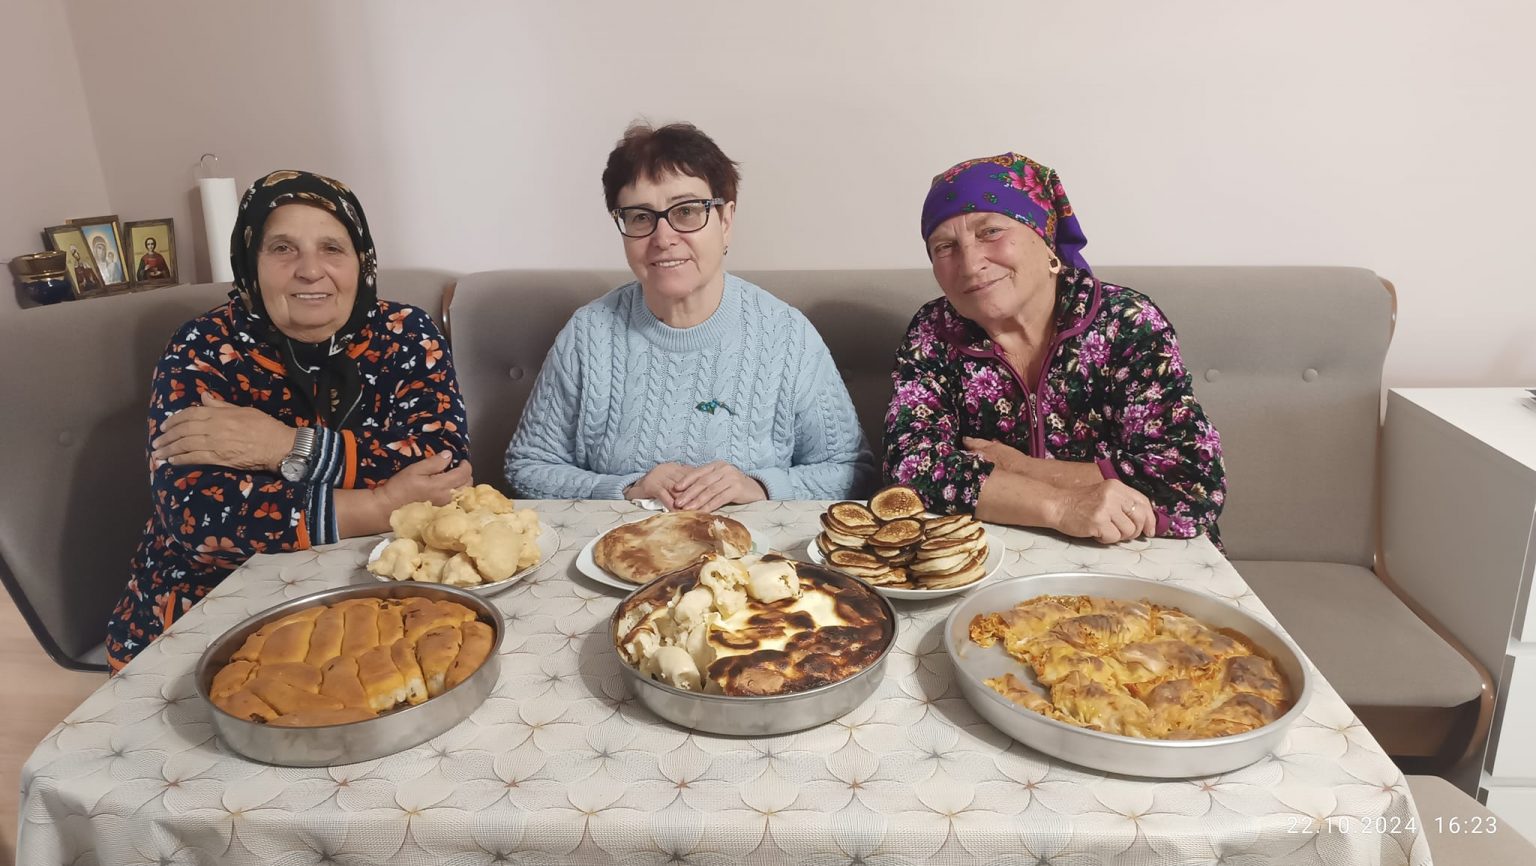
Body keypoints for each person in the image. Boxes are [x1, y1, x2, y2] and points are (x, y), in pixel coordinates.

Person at [105, 170, 471, 670]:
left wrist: (284, 446)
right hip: (210, 604)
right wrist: (379, 503)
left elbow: (444, 467)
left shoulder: (406, 332)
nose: (310, 270)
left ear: (361, 260)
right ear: (250, 262)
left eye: (332, 248)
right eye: (283, 249)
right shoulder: (202, 347)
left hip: (380, 586)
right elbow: (198, 515)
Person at [506, 122, 873, 510]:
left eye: (686, 211)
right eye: (640, 217)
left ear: (726, 221)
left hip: (751, 547)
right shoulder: (588, 334)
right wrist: (626, 488)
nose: (663, 238)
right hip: (619, 545)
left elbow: (852, 471)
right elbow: (526, 466)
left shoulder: (787, 335)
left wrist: (761, 487)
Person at [884, 152, 1225, 545]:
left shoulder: (1125, 321)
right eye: (945, 247)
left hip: (1135, 551)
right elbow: (909, 468)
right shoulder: (933, 330)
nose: (970, 263)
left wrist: (1021, 468)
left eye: (990, 231)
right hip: (999, 558)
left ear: (1045, 240)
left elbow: (1192, 479)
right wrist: (1062, 507)